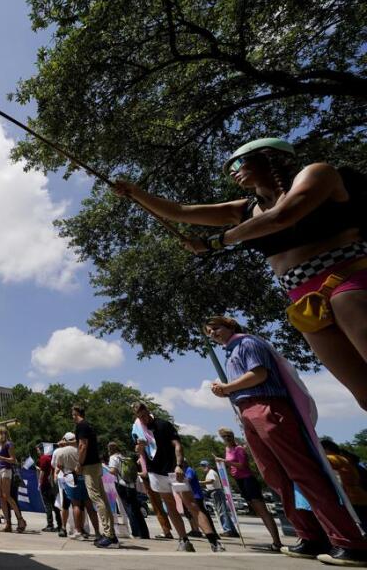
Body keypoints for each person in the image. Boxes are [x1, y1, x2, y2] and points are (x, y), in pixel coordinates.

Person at [112, 139, 367, 411]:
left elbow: (283, 216)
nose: (232, 171)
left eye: (237, 162)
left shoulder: (318, 173)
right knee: (363, 394)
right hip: (302, 300)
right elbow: (181, 212)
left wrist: (217, 241)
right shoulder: (245, 210)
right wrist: (135, 192)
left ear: (269, 157)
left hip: (347, 280)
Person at [206, 315, 367, 565]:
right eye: (208, 331)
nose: (212, 333)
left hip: (267, 406)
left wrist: (227, 388)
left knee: (302, 472)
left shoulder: (248, 343)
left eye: (216, 327)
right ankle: (310, 536)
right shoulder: (230, 353)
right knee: (275, 477)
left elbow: (258, 374)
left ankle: (348, 541)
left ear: (230, 325)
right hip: (247, 410)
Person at [131, 400, 224, 553]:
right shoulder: (138, 429)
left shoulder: (163, 425)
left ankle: (213, 540)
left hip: (173, 469)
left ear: (148, 411)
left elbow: (178, 445)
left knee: (191, 504)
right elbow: (139, 451)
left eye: (145, 415)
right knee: (170, 505)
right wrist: (139, 447)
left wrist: (179, 465)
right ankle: (184, 540)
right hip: (155, 471)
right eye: (140, 417)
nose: (143, 419)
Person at [216, 427, 282, 549]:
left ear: (232, 436)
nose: (227, 438)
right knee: (256, 509)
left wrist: (225, 462)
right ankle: (275, 540)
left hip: (248, 480)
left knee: (262, 510)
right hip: (239, 481)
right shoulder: (227, 449)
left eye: (228, 436)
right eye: (224, 437)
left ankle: (277, 541)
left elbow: (242, 465)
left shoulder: (239, 449)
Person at [71, 405, 118, 548]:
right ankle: (110, 534)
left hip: (89, 466)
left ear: (76, 414)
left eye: (72, 414)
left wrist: (79, 463)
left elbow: (82, 446)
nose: (72, 417)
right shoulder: (88, 425)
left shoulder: (81, 426)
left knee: (96, 499)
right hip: (96, 465)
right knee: (102, 498)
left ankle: (109, 535)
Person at [52, 433, 96, 539]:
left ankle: (70, 529)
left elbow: (56, 466)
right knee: (85, 505)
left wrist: (59, 473)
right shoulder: (81, 449)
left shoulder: (60, 451)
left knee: (69, 505)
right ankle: (88, 530)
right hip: (81, 477)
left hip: (67, 479)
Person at [108, 441, 149, 539]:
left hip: (121, 485)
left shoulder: (113, 458)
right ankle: (144, 533)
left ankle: (136, 532)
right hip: (131, 485)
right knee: (136, 509)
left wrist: (108, 470)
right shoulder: (125, 457)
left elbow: (113, 471)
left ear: (110, 449)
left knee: (129, 509)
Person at [322, 439, 367, 528]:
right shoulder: (344, 459)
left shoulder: (335, 458)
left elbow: (319, 459)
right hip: (358, 497)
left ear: (327, 449)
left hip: (354, 498)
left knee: (362, 525)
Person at [0, 426, 26, 533]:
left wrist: (0, 458)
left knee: (7, 496)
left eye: (2, 433)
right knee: (1, 497)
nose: (1, 435)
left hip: (6, 470)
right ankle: (7, 523)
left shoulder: (9, 444)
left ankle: (20, 520)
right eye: (0, 433)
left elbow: (13, 460)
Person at [200, 460, 238, 538]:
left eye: (204, 465)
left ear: (208, 465)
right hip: (215, 492)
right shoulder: (210, 472)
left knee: (221, 512)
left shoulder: (211, 472)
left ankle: (227, 530)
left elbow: (211, 481)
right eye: (202, 466)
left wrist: (200, 482)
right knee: (223, 511)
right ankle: (232, 530)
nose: (203, 467)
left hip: (216, 492)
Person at [183, 459, 217, 538]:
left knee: (202, 513)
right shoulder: (186, 470)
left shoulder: (189, 470)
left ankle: (212, 532)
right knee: (193, 513)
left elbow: (189, 479)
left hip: (196, 495)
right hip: (192, 495)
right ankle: (196, 530)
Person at [37, 444, 63, 532]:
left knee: (47, 505)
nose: (38, 452)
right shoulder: (52, 457)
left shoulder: (44, 458)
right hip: (53, 484)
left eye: (38, 450)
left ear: (41, 449)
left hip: (46, 484)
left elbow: (42, 472)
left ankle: (50, 524)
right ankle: (59, 524)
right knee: (55, 505)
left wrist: (40, 483)